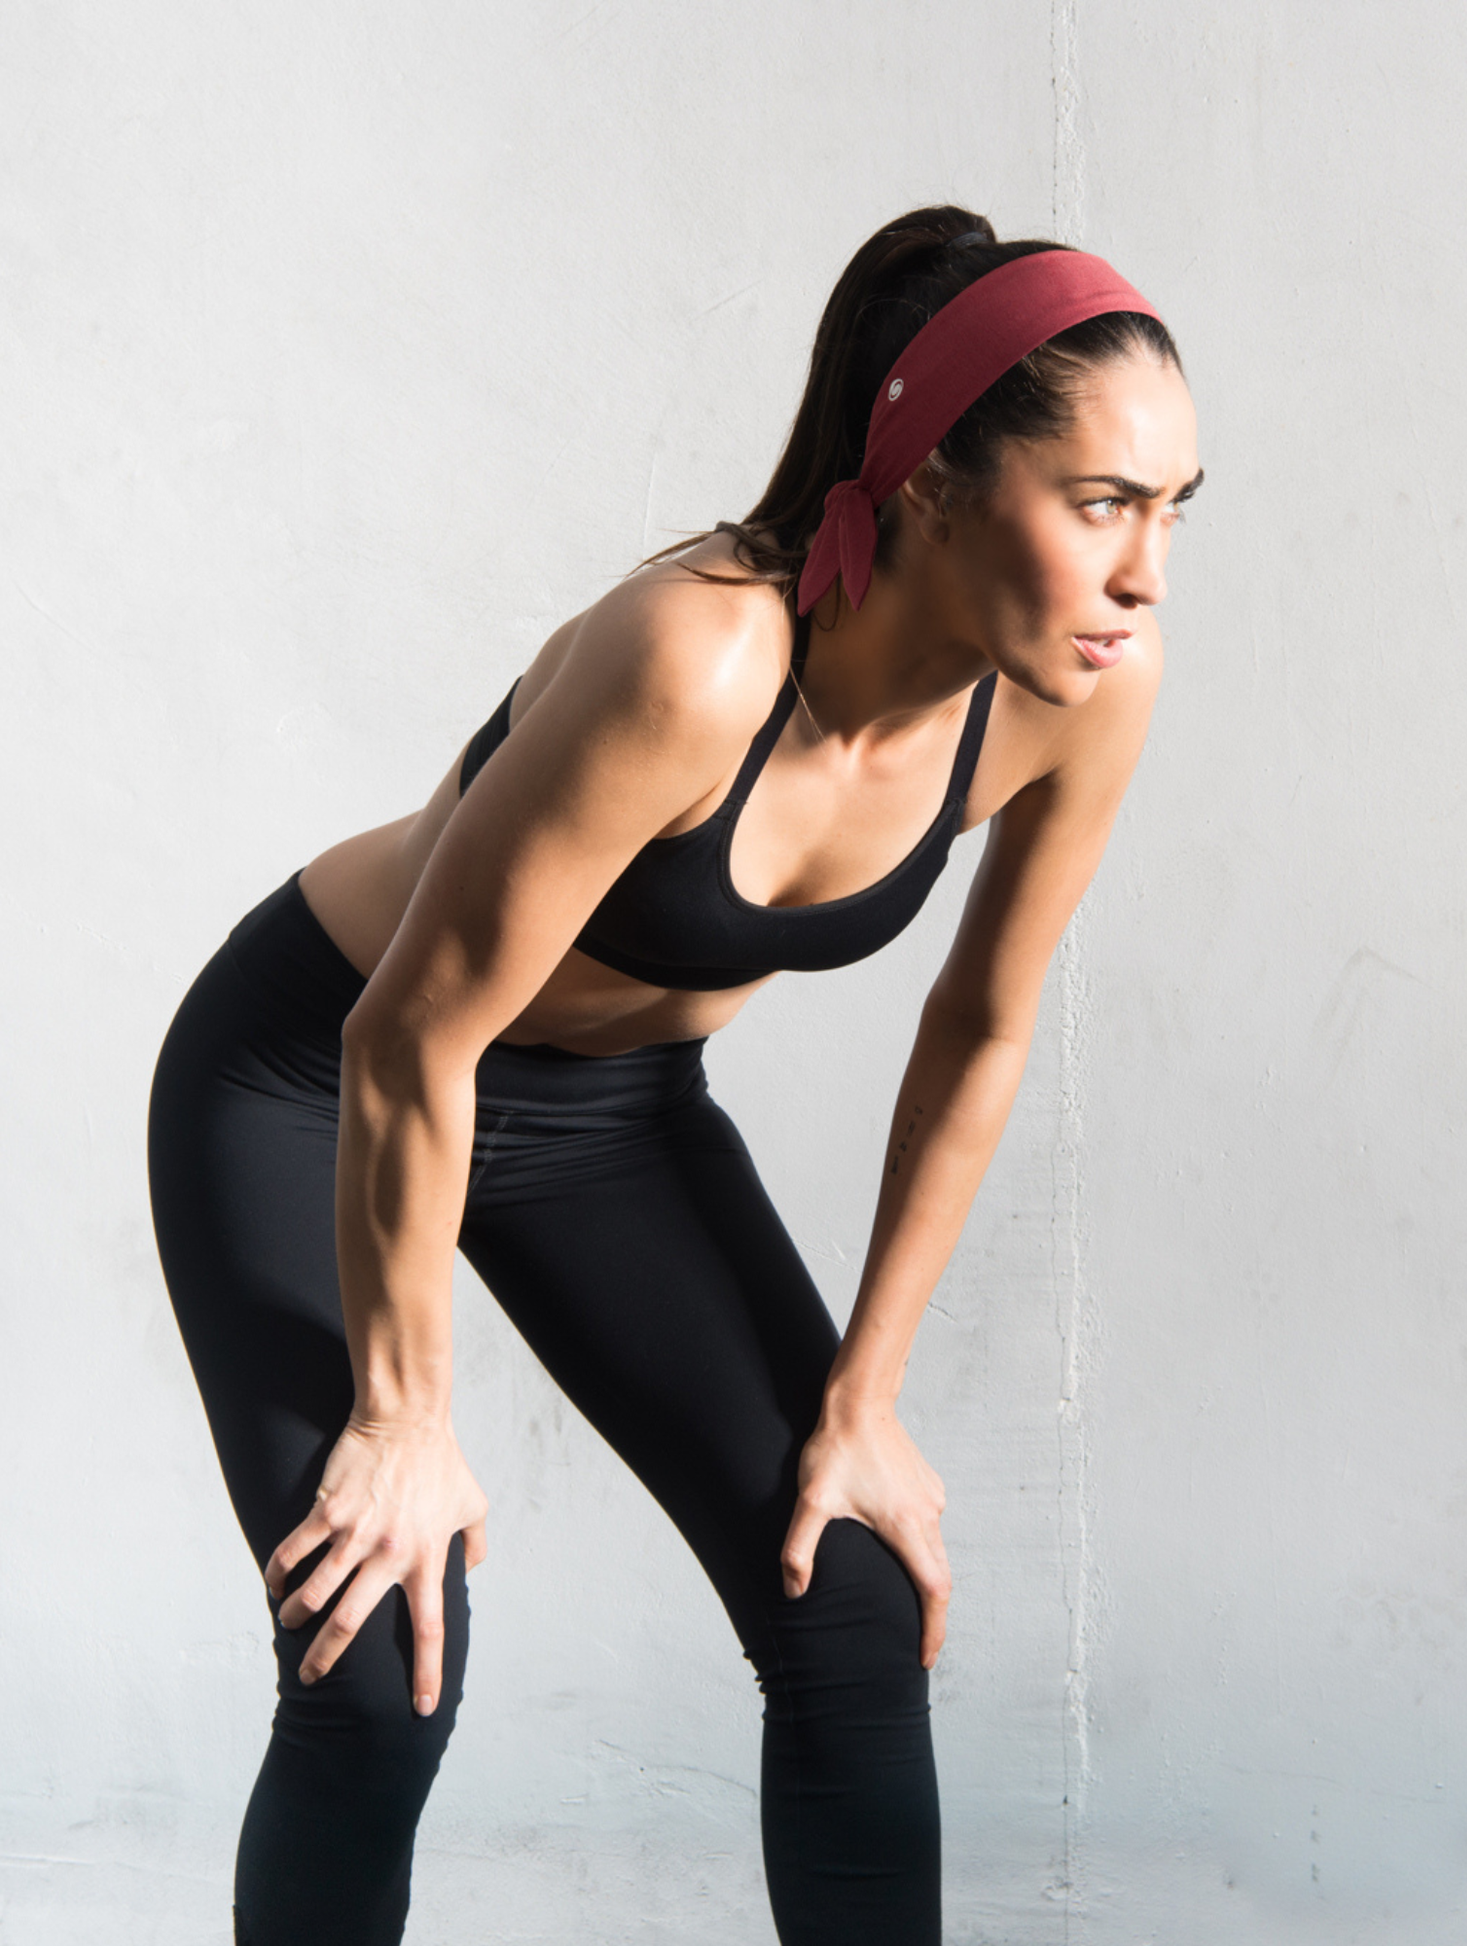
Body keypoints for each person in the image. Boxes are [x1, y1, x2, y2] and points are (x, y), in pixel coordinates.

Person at [146, 204, 1199, 1946]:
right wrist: (404, 1421)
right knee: (377, 1651)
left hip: (610, 1120)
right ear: (937, 480)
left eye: (1171, 509)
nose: (1146, 570)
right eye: (1100, 502)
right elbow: (411, 1033)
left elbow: (982, 1026)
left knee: (851, 1599)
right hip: (318, 1073)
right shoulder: (699, 654)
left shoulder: (1088, 688)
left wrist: (864, 1398)